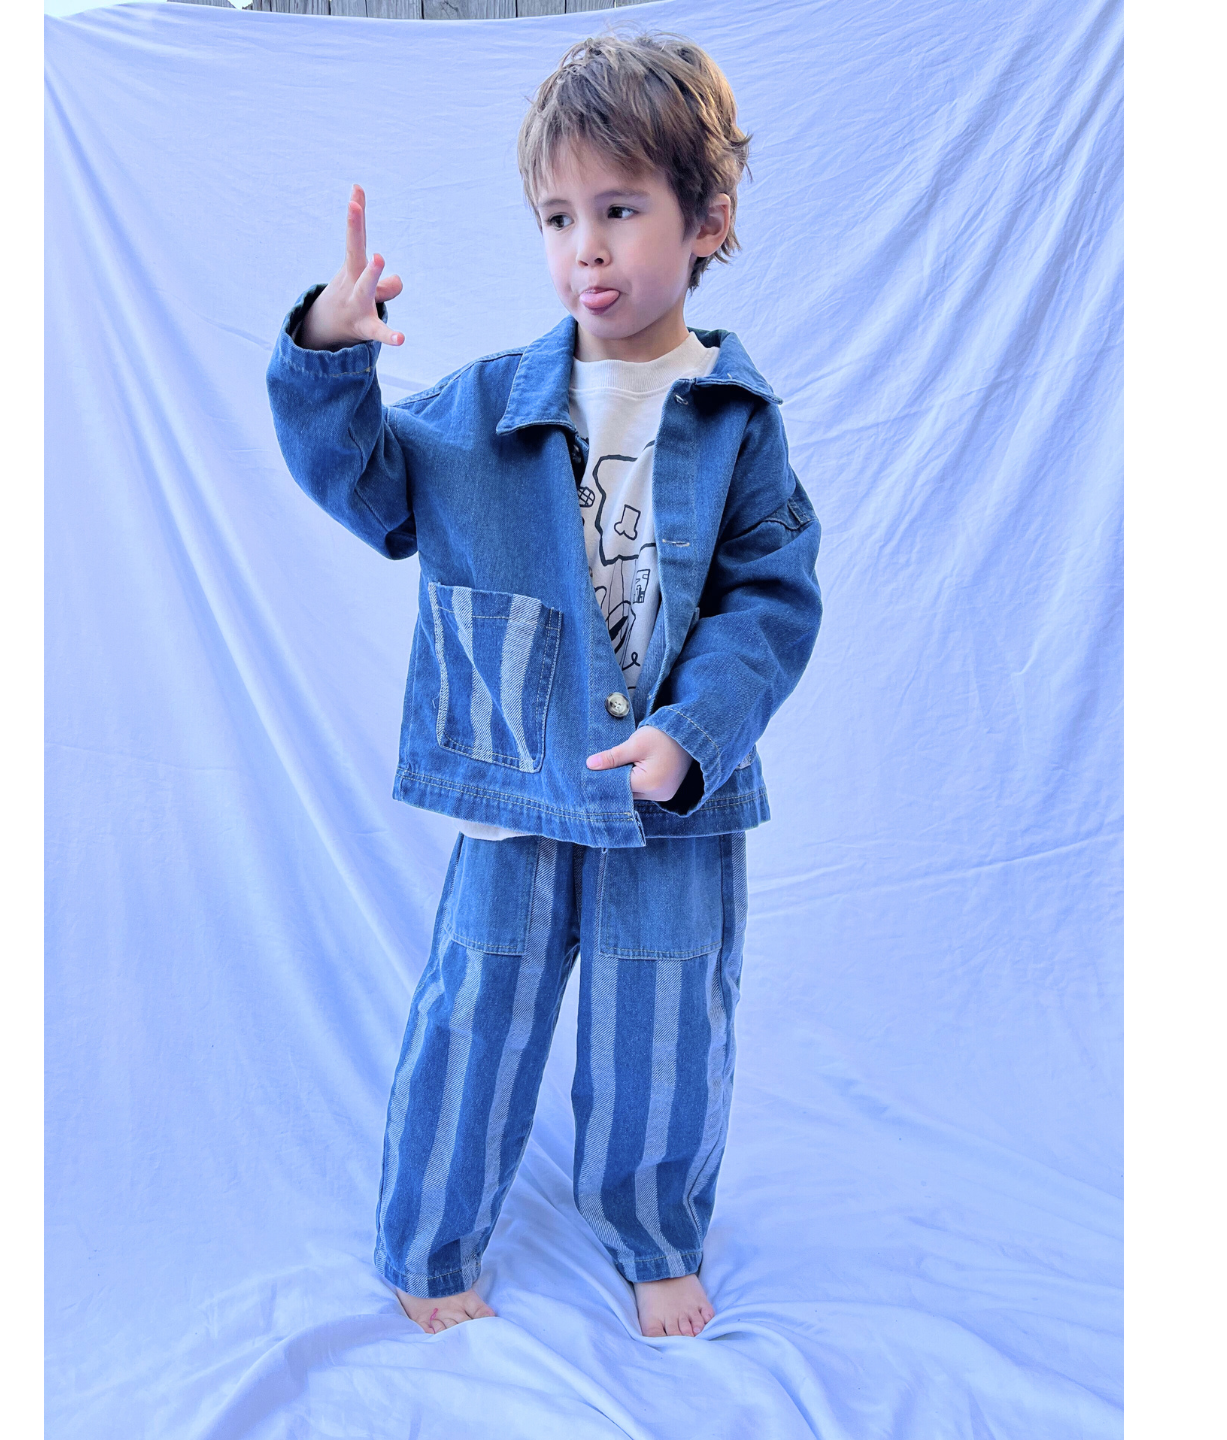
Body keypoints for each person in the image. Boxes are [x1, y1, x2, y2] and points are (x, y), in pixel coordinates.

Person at [265, 30, 822, 1340]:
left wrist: (695, 732)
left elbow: (774, 598)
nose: (588, 247)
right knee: (475, 1023)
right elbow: (371, 489)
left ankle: (654, 1235)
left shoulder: (739, 419)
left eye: (622, 210)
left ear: (707, 223)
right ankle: (432, 1240)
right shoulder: (481, 409)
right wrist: (330, 354)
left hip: (673, 801)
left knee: (666, 1036)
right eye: (562, 215)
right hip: (517, 778)